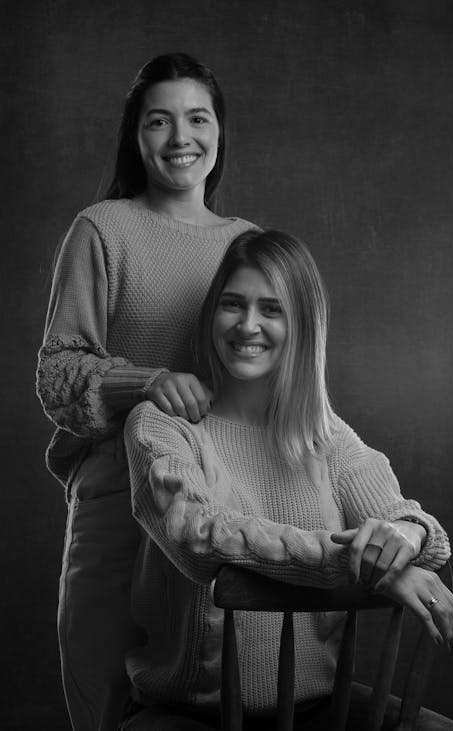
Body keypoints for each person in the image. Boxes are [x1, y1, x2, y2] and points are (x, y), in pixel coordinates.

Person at [122, 229, 453, 730]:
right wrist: (359, 561)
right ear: (211, 315)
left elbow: (413, 527)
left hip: (319, 709)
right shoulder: (160, 426)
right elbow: (199, 537)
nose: (248, 325)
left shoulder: (326, 437)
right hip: (191, 713)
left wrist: (405, 536)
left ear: (303, 324)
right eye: (232, 305)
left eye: (272, 309)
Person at [36, 53, 258, 731]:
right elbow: (56, 372)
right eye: (159, 121)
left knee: (212, 690)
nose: (180, 137)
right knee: (103, 686)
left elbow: (277, 372)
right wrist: (148, 382)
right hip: (114, 494)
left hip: (218, 493)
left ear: (219, 132)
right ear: (136, 135)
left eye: (197, 118)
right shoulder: (101, 229)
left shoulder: (249, 244)